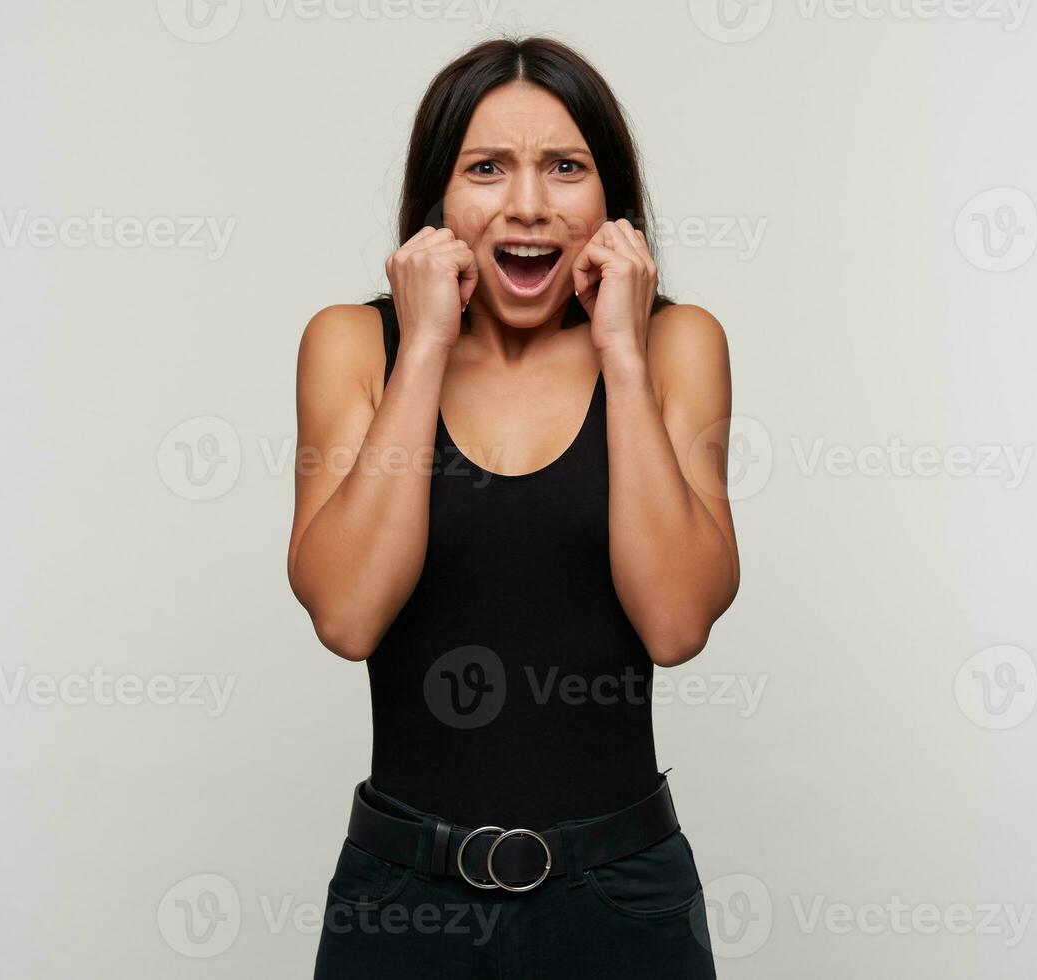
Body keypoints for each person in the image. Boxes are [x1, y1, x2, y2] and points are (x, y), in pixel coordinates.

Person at [288, 35, 740, 978]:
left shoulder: (675, 345)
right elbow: (347, 612)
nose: (528, 204)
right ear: (438, 203)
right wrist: (422, 349)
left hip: (623, 899)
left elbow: (676, 621)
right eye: (487, 168)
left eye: (565, 168)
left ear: (609, 203)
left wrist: (622, 350)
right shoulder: (353, 344)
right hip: (404, 899)